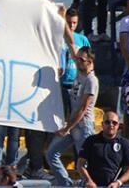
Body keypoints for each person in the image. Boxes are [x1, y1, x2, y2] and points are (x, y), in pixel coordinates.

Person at [46, 46, 98, 186]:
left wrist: (67, 127)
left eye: (81, 60)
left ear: (90, 61)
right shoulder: (79, 74)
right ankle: (66, 184)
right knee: (51, 154)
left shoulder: (91, 81)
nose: (78, 63)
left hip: (83, 125)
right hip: (73, 123)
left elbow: (83, 108)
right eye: (77, 59)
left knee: (84, 164)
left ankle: (85, 184)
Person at [76, 110, 129, 188]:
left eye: (114, 123)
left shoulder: (124, 143)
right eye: (107, 122)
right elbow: (80, 164)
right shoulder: (91, 141)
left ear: (118, 126)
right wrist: (89, 180)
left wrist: (118, 182)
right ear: (102, 124)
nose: (111, 125)